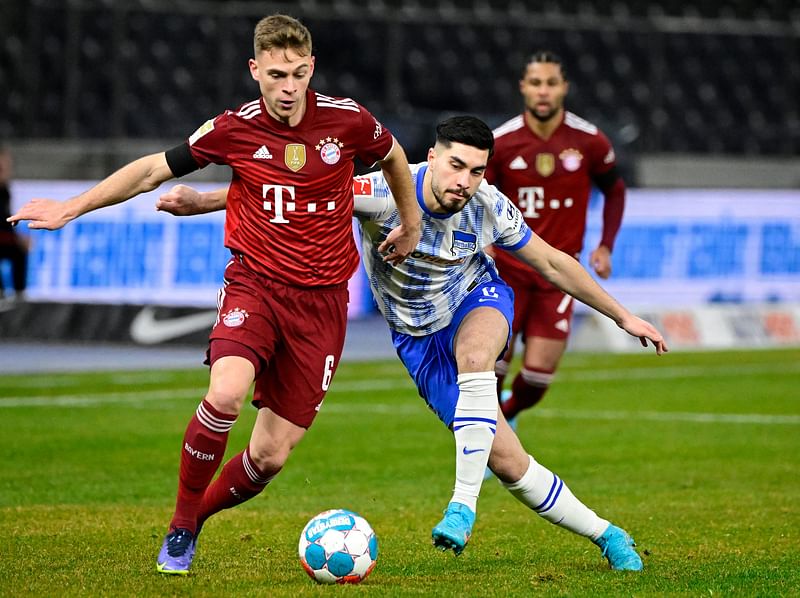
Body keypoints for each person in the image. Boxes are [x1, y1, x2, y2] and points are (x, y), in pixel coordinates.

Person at [7, 14, 422, 576]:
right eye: (276, 75)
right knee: (225, 394)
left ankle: (196, 517)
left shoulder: (348, 122)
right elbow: (153, 169)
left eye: (298, 74)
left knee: (270, 455)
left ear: (311, 68)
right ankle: (180, 529)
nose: (288, 87)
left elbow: (395, 156)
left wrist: (412, 221)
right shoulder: (233, 128)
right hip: (256, 284)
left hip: (323, 304)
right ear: (255, 71)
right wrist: (70, 207)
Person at [161, 116, 667, 571]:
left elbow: (554, 262)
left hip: (476, 299)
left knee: (476, 357)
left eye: (477, 172)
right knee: (508, 461)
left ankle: (461, 505)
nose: (465, 182)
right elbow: (292, 192)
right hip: (416, 338)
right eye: (456, 166)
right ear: (431, 158)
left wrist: (623, 315)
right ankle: (609, 534)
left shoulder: (489, 206)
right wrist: (202, 200)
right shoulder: (378, 192)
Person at [484, 51, 627, 425]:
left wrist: (606, 245)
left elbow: (615, 190)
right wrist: (482, 246)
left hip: (559, 275)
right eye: (535, 83)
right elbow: (479, 200)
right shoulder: (502, 141)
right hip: (507, 272)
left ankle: (507, 417)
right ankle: (492, 437)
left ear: (563, 87)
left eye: (550, 83)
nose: (543, 91)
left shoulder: (589, 141)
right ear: (523, 88)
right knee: (490, 363)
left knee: (537, 376)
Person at [0, 146, 29, 301]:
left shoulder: (5, 190)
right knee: (18, 249)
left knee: (19, 251)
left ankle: (18, 295)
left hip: (4, 237)